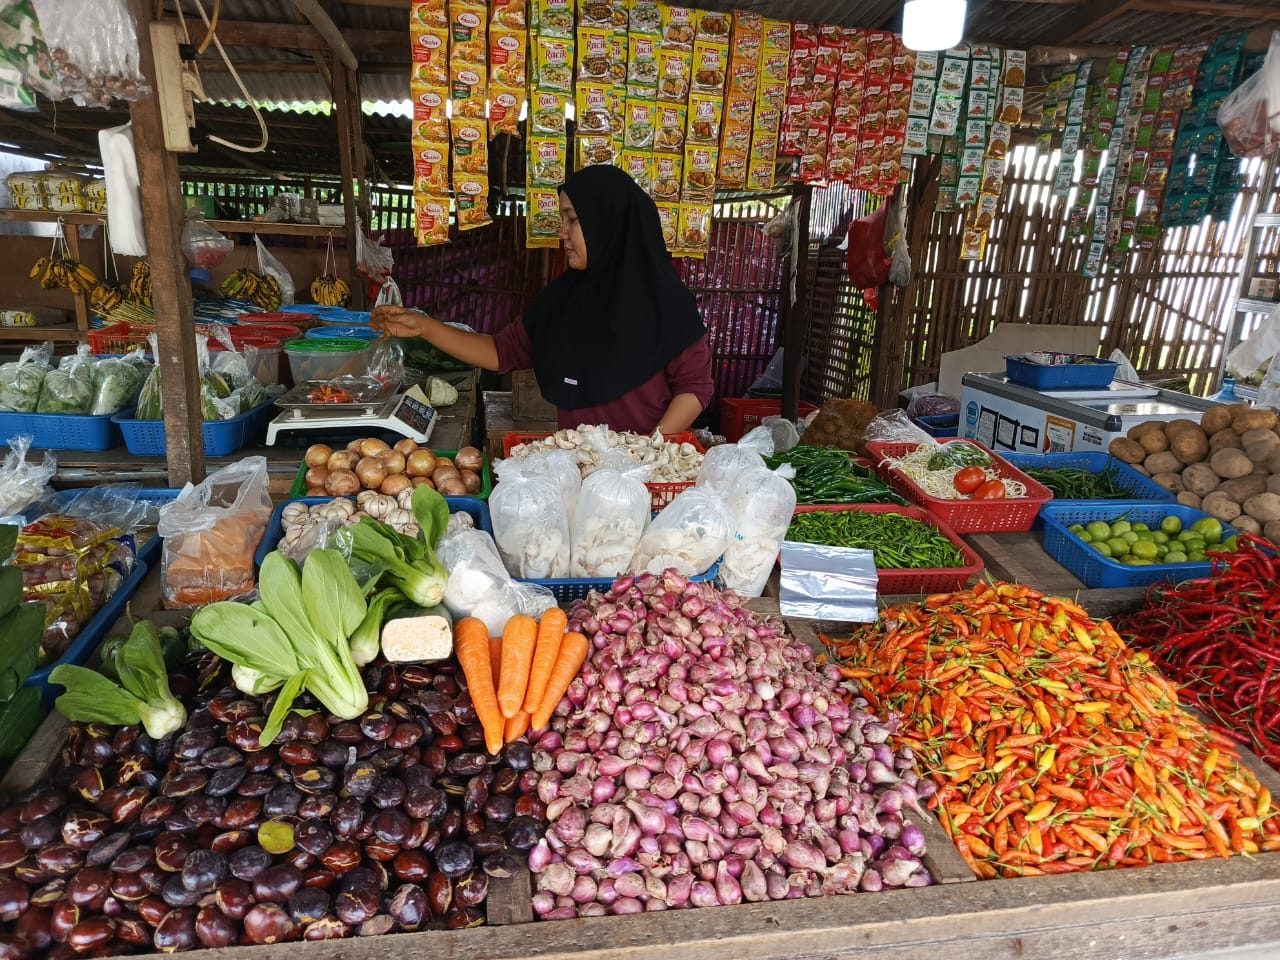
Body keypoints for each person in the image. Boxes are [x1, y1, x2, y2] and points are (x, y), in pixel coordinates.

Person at [370, 165, 714, 435]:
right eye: (563, 219)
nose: (561, 231)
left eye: (573, 220)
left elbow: (694, 387)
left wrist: (650, 449)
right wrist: (425, 328)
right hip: (578, 462)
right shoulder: (562, 299)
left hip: (645, 475)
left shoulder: (666, 303)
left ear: (608, 224)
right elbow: (501, 352)